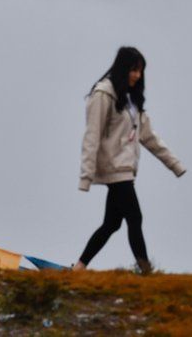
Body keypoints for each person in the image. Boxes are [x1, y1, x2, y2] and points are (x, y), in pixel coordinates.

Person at [75, 46, 185, 274]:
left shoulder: (132, 101)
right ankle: (146, 271)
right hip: (114, 168)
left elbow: (149, 138)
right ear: (122, 68)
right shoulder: (103, 94)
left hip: (125, 169)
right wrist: (86, 176)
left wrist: (175, 165)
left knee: (112, 224)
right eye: (133, 70)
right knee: (135, 217)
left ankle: (79, 267)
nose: (137, 75)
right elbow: (91, 136)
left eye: (140, 71)